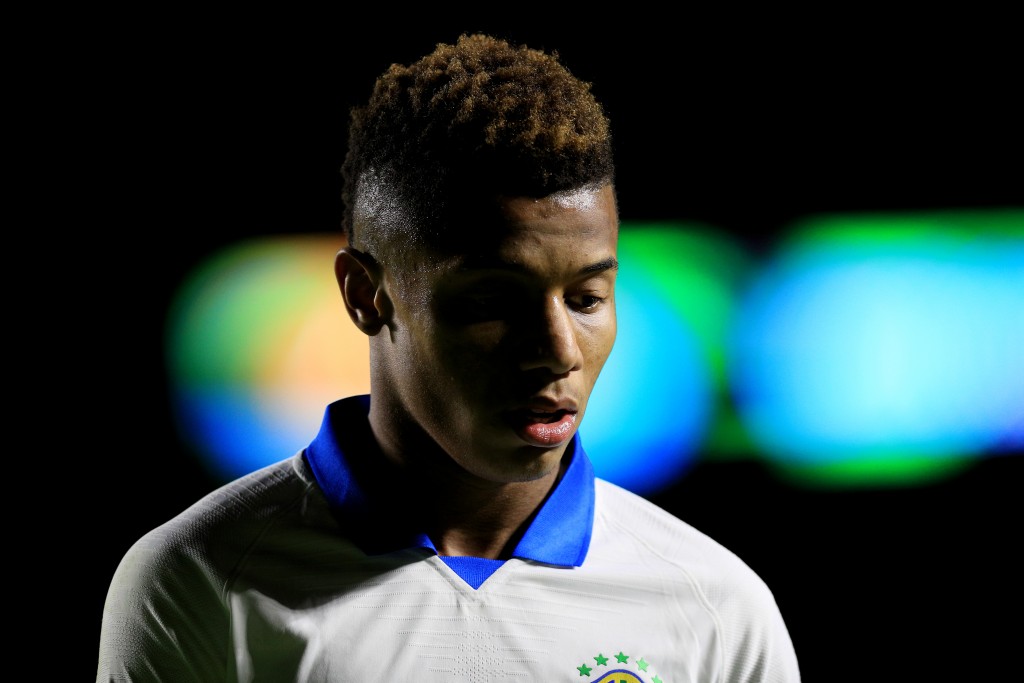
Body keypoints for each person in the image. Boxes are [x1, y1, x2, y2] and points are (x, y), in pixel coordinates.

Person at [97, 33, 801, 682]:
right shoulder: (197, 580)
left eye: (586, 298)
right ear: (367, 294)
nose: (558, 351)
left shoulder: (716, 608)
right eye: (494, 302)